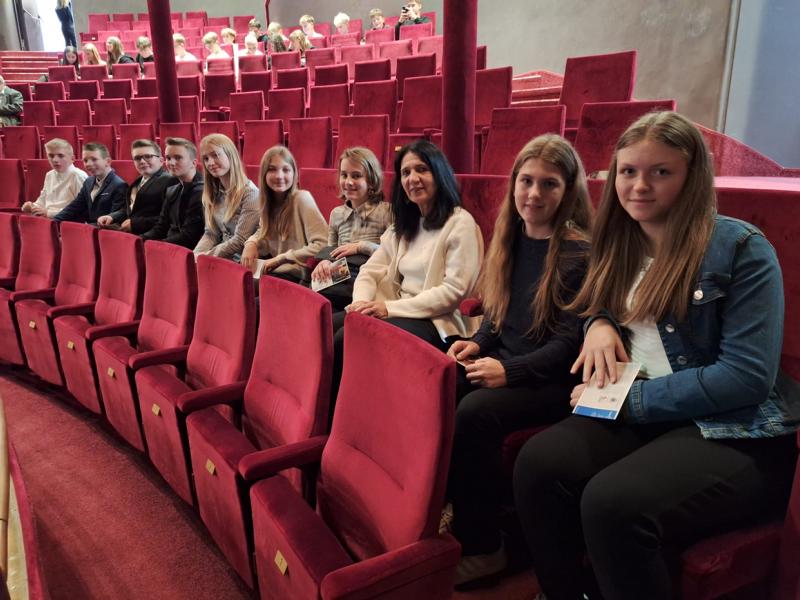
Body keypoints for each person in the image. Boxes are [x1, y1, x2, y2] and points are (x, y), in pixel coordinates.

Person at [513, 111, 800, 600]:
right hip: (642, 404)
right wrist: (598, 323)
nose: (639, 186)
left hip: (728, 424)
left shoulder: (741, 248)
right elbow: (600, 303)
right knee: (537, 464)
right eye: (628, 171)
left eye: (660, 172)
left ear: (692, 177)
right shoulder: (619, 239)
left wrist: (633, 403)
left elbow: (745, 377)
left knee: (612, 502)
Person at [445, 135, 592, 585]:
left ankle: (485, 546)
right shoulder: (511, 236)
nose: (533, 194)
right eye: (526, 181)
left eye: (549, 184)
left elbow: (567, 345)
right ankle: (451, 507)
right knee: (441, 379)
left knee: (474, 412)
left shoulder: (578, 251)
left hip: (552, 380)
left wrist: (509, 371)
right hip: (510, 361)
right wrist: (478, 342)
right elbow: (496, 313)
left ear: (568, 191)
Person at [342, 140, 483, 349]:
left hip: (440, 320)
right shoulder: (405, 224)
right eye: (405, 173)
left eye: (422, 169)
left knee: (355, 341)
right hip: (398, 309)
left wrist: (388, 308)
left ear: (439, 174)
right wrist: (360, 304)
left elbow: (454, 292)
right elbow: (369, 270)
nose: (413, 179)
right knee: (337, 330)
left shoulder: (460, 223)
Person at [310, 147, 392, 309]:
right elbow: (331, 248)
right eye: (344, 175)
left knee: (321, 296)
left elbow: (393, 255)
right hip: (341, 272)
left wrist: (361, 246)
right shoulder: (337, 214)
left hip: (368, 274)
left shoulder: (386, 211)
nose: (348, 182)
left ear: (371, 180)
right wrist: (325, 262)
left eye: (356, 176)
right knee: (311, 288)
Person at [240, 145, 327, 283]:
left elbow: (323, 244)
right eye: (272, 169)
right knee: (237, 278)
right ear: (264, 175)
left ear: (294, 174)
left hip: (299, 275)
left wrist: (282, 258)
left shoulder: (302, 198)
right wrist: (251, 243)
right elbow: (262, 232)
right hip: (277, 270)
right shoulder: (268, 203)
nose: (279, 176)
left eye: (286, 170)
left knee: (244, 285)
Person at [193, 134, 259, 259]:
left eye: (215, 155)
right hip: (222, 257)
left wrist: (205, 257)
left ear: (230, 155)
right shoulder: (214, 193)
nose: (210, 163)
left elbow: (240, 240)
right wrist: (195, 256)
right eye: (206, 158)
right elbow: (211, 234)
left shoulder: (251, 194)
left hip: (243, 260)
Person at [98, 139, 174, 234]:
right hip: (131, 232)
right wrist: (112, 216)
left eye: (148, 156)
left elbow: (169, 219)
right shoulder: (138, 180)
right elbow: (130, 209)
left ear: (161, 160)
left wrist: (136, 224)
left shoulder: (169, 181)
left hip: (151, 235)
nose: (142, 161)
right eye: (137, 158)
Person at [142, 137, 205, 249]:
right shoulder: (172, 190)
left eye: (178, 157)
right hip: (169, 246)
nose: (171, 163)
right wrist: (139, 240)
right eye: (168, 158)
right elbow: (161, 228)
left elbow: (189, 237)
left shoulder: (201, 192)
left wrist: (153, 246)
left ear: (194, 163)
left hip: (188, 251)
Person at [53, 142, 127, 223]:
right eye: (85, 160)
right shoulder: (88, 181)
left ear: (108, 162)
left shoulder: (119, 185)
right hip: (89, 227)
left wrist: (87, 228)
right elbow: (74, 207)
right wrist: (54, 222)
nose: (88, 164)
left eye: (94, 159)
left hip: (102, 229)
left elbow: (114, 221)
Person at [22, 138, 87, 217]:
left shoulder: (77, 175)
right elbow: (42, 200)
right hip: (49, 219)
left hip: (67, 220)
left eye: (60, 156)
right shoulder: (49, 175)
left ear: (72, 158)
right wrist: (33, 206)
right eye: (51, 156)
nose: (55, 160)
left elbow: (83, 209)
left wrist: (49, 213)